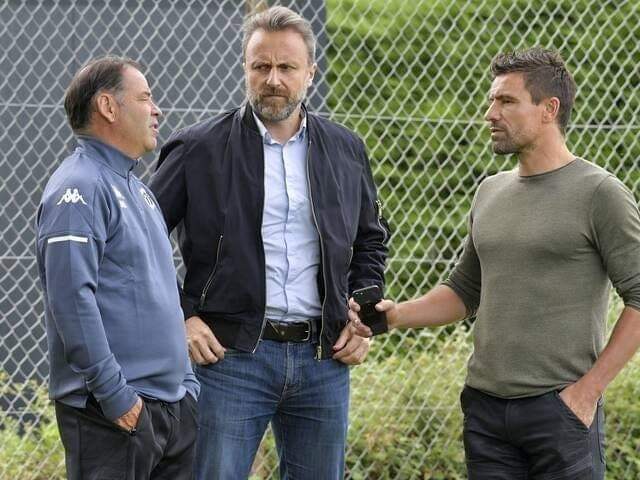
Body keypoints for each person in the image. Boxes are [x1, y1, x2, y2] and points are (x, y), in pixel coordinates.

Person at [350, 47, 640, 480]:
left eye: (506, 101)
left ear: (549, 109)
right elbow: (465, 291)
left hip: (560, 413)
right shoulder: (490, 191)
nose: (490, 114)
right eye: (491, 100)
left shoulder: (600, 193)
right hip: (485, 412)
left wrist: (587, 393)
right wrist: (396, 316)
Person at [148, 6, 388, 479]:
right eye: (261, 66)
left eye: (286, 67)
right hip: (230, 359)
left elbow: (370, 241)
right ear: (245, 68)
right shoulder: (198, 149)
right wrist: (182, 317)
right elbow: (141, 239)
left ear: (310, 73)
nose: (273, 79)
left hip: (323, 360)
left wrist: (364, 319)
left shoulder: (345, 149)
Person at [36, 55, 199, 480]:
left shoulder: (140, 192)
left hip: (171, 411)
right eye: (145, 98)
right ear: (108, 107)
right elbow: (71, 301)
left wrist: (187, 387)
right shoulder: (78, 188)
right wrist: (116, 397)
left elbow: (165, 292)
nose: (157, 110)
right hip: (113, 416)